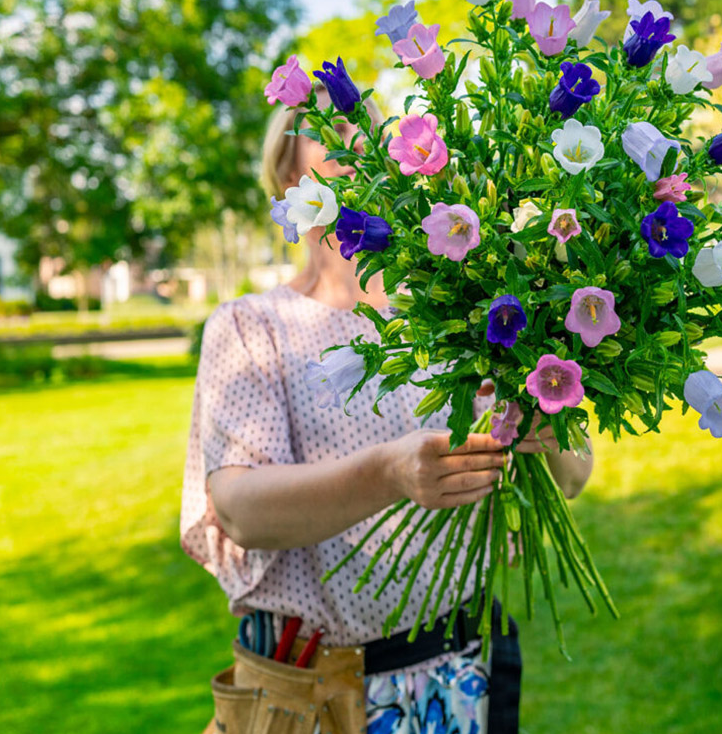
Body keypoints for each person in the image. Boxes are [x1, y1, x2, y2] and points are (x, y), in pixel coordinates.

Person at [180, 86, 594, 733]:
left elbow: (570, 477)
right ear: (288, 170)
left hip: (454, 685)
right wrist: (388, 475)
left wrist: (548, 427)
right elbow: (239, 508)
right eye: (326, 130)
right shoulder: (253, 327)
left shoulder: (456, 310)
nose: (353, 144)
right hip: (315, 692)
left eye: (363, 128)